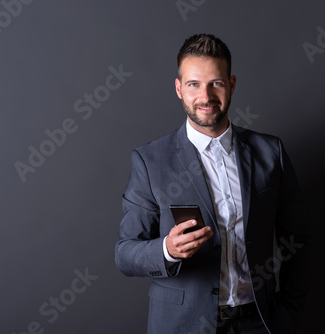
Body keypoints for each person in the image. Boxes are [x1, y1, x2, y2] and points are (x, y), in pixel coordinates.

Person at [115, 33, 312, 334]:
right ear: (179, 88)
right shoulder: (150, 161)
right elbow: (125, 254)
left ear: (231, 85)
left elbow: (299, 239)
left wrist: (289, 312)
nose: (205, 97)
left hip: (259, 323)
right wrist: (167, 249)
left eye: (215, 83)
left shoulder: (270, 152)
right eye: (194, 84)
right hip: (183, 326)